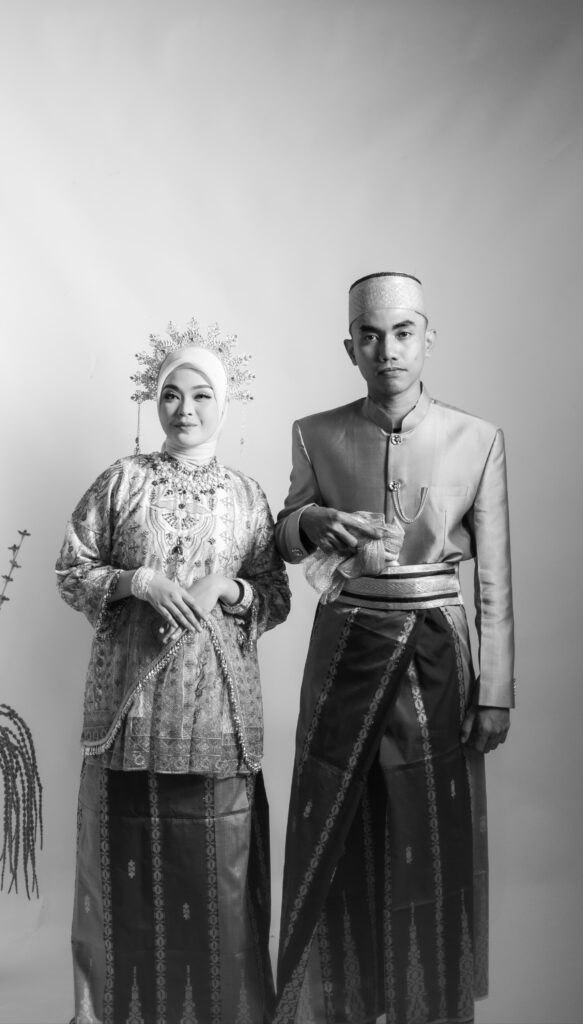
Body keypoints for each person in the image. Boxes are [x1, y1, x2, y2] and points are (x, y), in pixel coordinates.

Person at [273, 272, 514, 1024]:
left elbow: (494, 578)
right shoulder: (315, 432)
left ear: (427, 338)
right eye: (370, 337)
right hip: (344, 646)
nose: (388, 351)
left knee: (430, 830)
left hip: (436, 655)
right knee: (335, 826)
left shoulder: (477, 439)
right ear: (350, 348)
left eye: (403, 333)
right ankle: (338, 1005)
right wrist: (310, 523)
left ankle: (428, 1005)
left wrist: (495, 691)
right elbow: (285, 536)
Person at [56, 319, 290, 1024]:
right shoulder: (121, 482)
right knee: (123, 881)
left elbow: (275, 595)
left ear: (224, 404)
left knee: (217, 878)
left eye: (200, 396)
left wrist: (229, 587)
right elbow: (72, 569)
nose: (184, 410)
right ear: (154, 401)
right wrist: (137, 581)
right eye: (171, 395)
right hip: (129, 714)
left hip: (219, 717)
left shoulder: (248, 496)